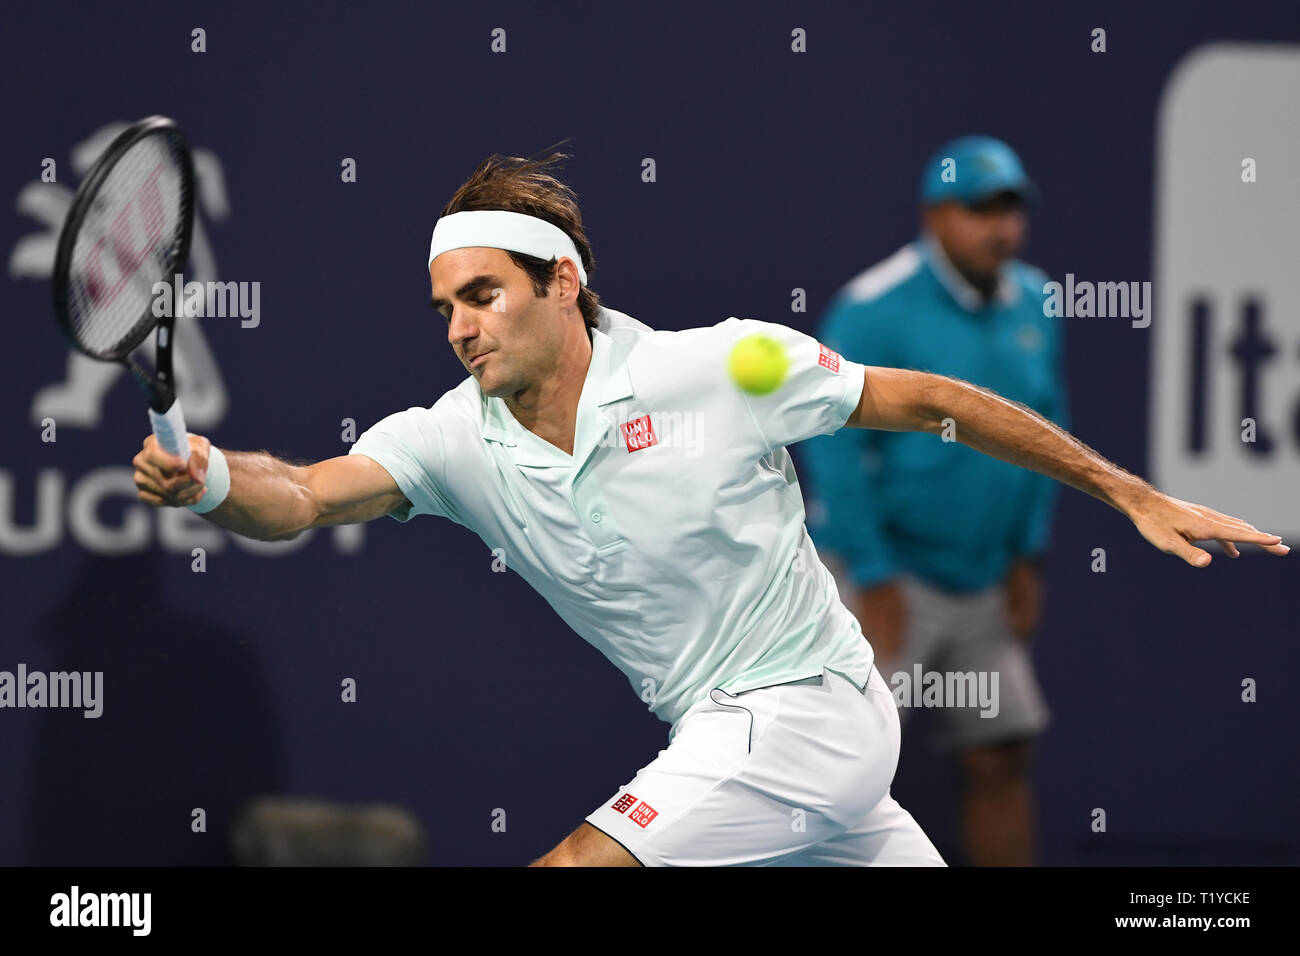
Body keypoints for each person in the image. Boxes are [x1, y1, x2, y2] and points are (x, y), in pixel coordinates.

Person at [132, 150, 1288, 867]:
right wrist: (217, 478)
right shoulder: (447, 437)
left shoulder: (720, 366)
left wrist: (1124, 489)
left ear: (561, 282)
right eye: (445, 306)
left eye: (483, 295)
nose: (459, 326)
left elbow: (931, 400)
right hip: (729, 739)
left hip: (808, 706)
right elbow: (302, 495)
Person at [801, 135, 1063, 865]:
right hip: (883, 581)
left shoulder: (1039, 302)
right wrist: (874, 573)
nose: (1001, 227)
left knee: (1001, 758)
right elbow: (834, 450)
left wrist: (1026, 555)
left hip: (984, 581)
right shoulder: (871, 308)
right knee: (837, 779)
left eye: (1011, 208)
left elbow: (1047, 432)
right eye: (982, 209)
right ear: (936, 215)